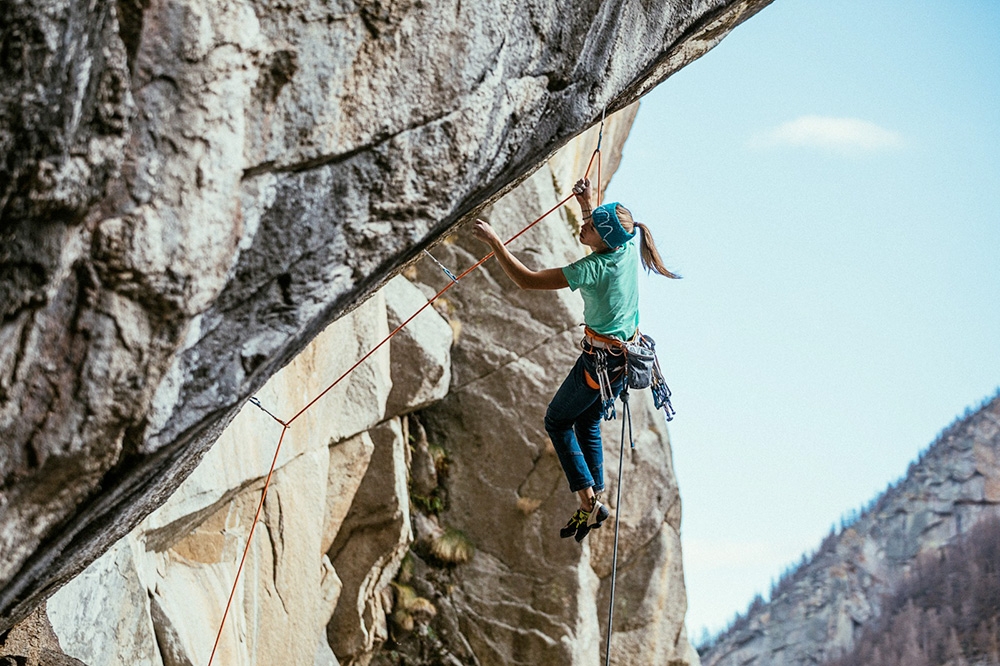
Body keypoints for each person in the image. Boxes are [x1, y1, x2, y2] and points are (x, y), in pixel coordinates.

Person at [472, 177, 680, 542]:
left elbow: (528, 280)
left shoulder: (592, 270)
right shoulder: (625, 250)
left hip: (599, 363)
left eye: (590, 226)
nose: (583, 225)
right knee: (587, 421)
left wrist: (495, 243)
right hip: (621, 362)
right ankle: (594, 497)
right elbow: (603, 231)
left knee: (557, 421)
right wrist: (588, 204)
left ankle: (588, 502)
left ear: (604, 239)